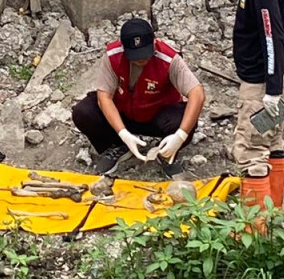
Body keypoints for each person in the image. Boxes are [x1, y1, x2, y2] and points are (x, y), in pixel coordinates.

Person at [206, 0, 284, 210]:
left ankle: (255, 232)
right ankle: (275, 214)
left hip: (263, 84)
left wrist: (270, 91)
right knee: (273, 138)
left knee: (251, 149)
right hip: (281, 73)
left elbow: (271, 36)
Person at [71, 17, 206, 177]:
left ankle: (167, 153)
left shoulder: (169, 59)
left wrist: (180, 136)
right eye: (135, 55)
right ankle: (117, 145)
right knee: (83, 111)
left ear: (154, 43)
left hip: (158, 116)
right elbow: (104, 97)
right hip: (124, 114)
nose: (141, 59)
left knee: (185, 118)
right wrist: (123, 133)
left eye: (145, 53)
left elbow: (197, 94)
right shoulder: (112, 56)